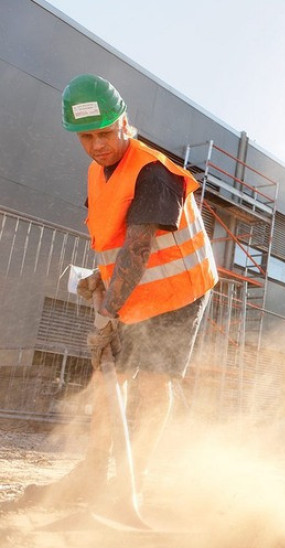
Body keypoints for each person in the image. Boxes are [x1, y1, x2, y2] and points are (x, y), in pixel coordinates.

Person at [21, 74, 218, 509]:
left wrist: (108, 312)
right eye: (86, 136)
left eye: (105, 132)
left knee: (150, 381)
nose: (97, 145)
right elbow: (116, 240)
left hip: (179, 291)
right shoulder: (97, 173)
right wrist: (100, 276)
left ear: (124, 122)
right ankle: (91, 473)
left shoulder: (154, 172)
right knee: (109, 377)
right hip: (132, 292)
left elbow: (142, 245)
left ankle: (132, 481)